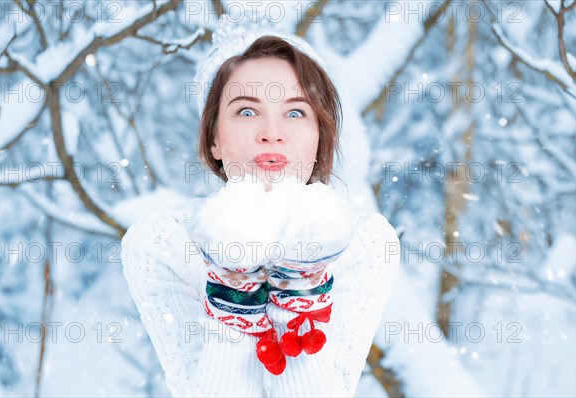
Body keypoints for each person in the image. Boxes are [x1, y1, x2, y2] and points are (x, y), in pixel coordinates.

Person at [120, 19, 400, 398]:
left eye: (296, 112)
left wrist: (299, 282)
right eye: (247, 112)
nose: (272, 132)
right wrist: (234, 289)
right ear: (214, 138)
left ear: (320, 136)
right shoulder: (162, 243)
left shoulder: (364, 244)